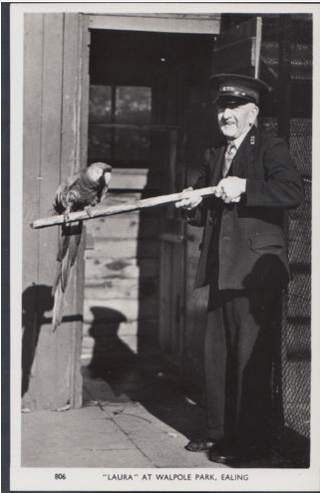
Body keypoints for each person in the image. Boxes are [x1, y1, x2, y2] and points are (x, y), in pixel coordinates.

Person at [176, 73, 304, 465]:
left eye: (234, 108)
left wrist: (246, 187)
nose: (226, 114)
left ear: (253, 112)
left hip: (254, 273)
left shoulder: (270, 146)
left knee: (249, 358)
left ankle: (250, 444)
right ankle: (218, 433)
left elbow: (292, 192)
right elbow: (206, 209)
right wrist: (192, 204)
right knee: (217, 354)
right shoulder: (216, 152)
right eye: (221, 107)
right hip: (220, 268)